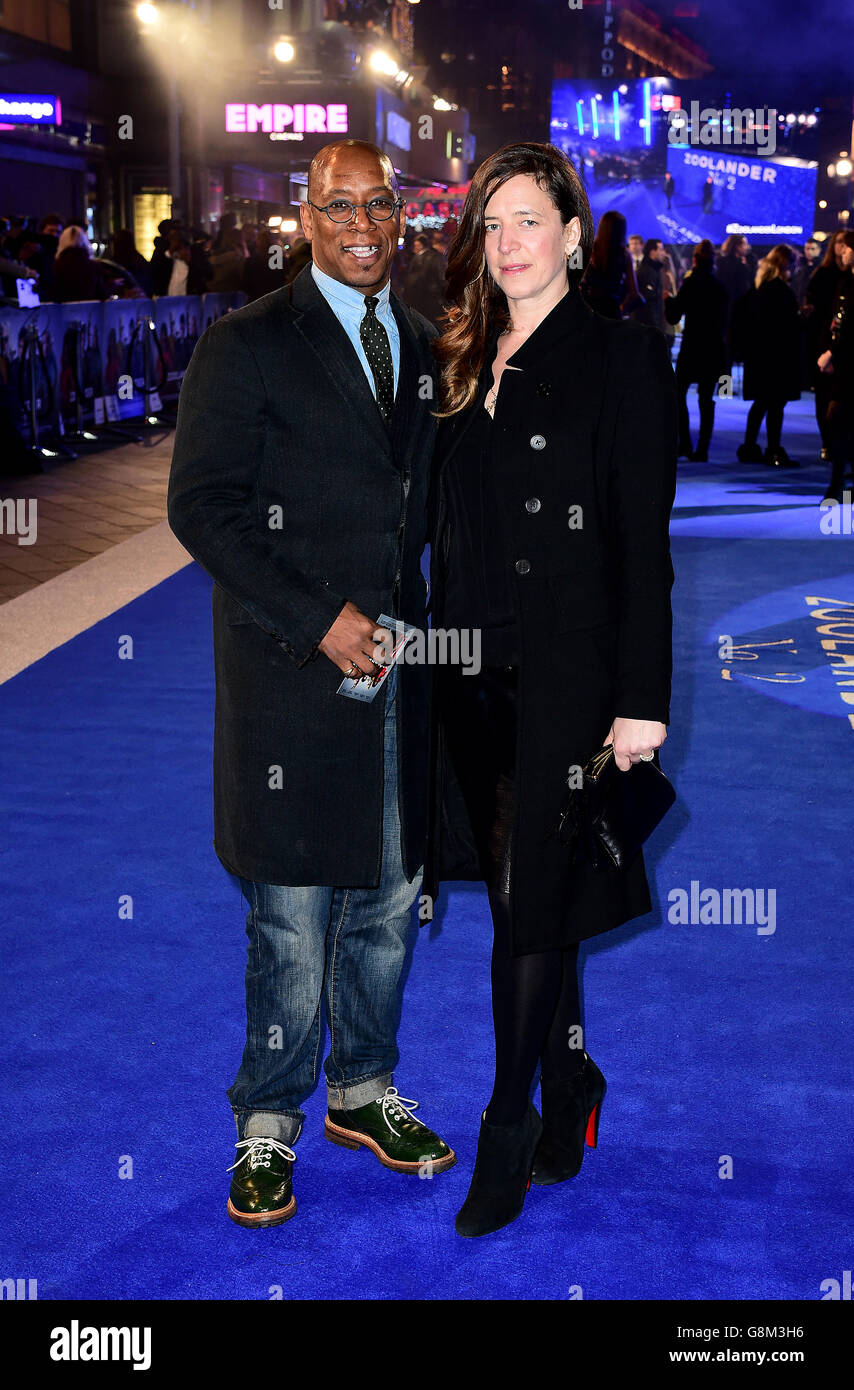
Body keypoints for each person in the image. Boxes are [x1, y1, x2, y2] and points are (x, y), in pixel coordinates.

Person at [168, 139, 453, 1230]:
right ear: (306, 216)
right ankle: (265, 1123)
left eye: (379, 203)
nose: (364, 223)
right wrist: (316, 618)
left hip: (400, 676)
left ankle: (362, 1091)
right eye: (341, 206)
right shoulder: (245, 346)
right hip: (288, 676)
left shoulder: (426, 347)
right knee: (289, 920)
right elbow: (203, 508)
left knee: (385, 901)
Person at [423, 141, 677, 1238]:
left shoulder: (621, 360)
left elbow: (641, 548)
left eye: (528, 219)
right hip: (467, 674)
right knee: (539, 895)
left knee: (527, 910)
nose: (508, 243)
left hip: (570, 681)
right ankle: (571, 1082)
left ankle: (506, 1124)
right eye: (491, 225)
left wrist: (640, 701)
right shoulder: (461, 355)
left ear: (574, 233)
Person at [737, 244, 802, 468]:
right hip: (778, 357)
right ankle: (774, 449)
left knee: (761, 403)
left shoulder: (758, 289)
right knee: (775, 404)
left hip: (758, 356)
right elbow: (789, 328)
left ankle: (749, 446)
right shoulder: (782, 292)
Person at [664, 238, 727, 462]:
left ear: (694, 259)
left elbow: (673, 315)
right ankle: (702, 449)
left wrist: (668, 300)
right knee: (706, 399)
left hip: (692, 346)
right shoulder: (719, 287)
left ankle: (686, 445)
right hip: (712, 348)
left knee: (679, 394)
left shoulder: (690, 284)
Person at [817, 230, 854, 503]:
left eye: (847, 247)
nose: (841, 252)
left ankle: (838, 484)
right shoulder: (844, 282)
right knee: (837, 419)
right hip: (843, 364)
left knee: (838, 417)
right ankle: (837, 483)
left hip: (846, 362)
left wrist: (832, 352)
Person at [804, 232, 846, 462]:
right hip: (823, 341)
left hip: (843, 344)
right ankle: (827, 443)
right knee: (824, 396)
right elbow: (811, 306)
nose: (842, 248)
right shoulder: (824, 274)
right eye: (839, 243)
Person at [580, 209, 642, 319]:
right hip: (611, 312)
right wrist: (621, 310)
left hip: (587, 312)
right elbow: (634, 294)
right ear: (622, 230)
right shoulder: (624, 255)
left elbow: (574, 283)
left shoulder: (587, 249)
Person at [716, 234, 753, 374]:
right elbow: (745, 291)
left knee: (724, 353)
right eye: (744, 244)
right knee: (728, 354)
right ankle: (725, 389)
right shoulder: (741, 266)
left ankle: (723, 388)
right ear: (737, 246)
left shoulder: (720, 262)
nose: (746, 247)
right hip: (735, 314)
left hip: (722, 313)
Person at [402, 231, 447, 328]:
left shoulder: (421, 258)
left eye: (417, 245)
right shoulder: (434, 256)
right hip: (430, 297)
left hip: (420, 297)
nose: (415, 248)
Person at [51, 226, 108, 302]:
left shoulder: (56, 266)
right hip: (88, 312)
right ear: (84, 240)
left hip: (64, 312)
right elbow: (101, 294)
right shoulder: (93, 266)